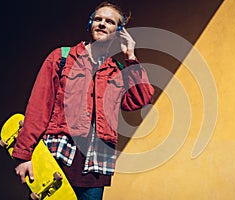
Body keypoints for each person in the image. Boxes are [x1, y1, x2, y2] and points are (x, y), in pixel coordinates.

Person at [12, 1, 154, 199]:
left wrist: (130, 56)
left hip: (96, 166)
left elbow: (141, 98)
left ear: (118, 31)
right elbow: (38, 107)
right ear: (90, 24)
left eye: (110, 22)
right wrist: (23, 155)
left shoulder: (118, 71)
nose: (103, 24)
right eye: (98, 19)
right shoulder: (61, 58)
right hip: (58, 157)